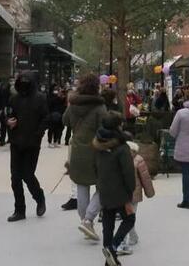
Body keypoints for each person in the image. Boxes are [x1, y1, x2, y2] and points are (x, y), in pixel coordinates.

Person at [63, 73, 108, 241]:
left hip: (77, 151)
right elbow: (104, 130)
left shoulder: (73, 105)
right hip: (96, 151)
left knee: (82, 187)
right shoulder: (99, 107)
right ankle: (88, 219)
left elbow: (65, 121)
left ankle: (84, 221)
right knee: (103, 186)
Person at [93, 113, 136, 266]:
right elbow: (128, 172)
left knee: (108, 220)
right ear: (118, 126)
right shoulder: (121, 147)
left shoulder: (98, 144)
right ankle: (112, 248)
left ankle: (109, 254)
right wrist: (130, 192)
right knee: (129, 219)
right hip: (120, 191)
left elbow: (95, 167)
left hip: (104, 187)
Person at [6, 73, 49, 222]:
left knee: (28, 175)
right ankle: (19, 209)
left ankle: (39, 197)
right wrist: (9, 122)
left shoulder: (40, 98)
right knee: (15, 177)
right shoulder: (14, 99)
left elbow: (45, 117)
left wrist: (39, 133)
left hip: (32, 143)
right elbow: (9, 115)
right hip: (16, 142)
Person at [116, 141, 155, 256]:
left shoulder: (117, 159)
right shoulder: (138, 159)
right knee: (130, 217)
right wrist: (150, 192)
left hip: (120, 194)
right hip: (134, 194)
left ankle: (132, 237)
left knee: (127, 218)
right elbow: (145, 178)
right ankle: (127, 239)